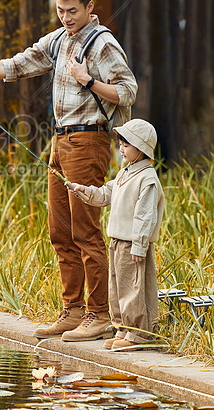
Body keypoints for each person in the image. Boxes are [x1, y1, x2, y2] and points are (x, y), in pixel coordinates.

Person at [0, 0, 137, 342]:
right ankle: (73, 311)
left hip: (88, 142)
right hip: (59, 143)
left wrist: (88, 80)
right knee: (60, 232)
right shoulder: (58, 40)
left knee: (86, 231)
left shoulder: (103, 44)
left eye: (73, 11)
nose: (66, 17)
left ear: (90, 7)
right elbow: (14, 67)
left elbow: (128, 92)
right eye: (61, 10)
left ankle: (98, 316)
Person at [68, 118, 165, 351]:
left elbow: (145, 216)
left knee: (133, 288)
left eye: (126, 144)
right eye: (120, 143)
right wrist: (84, 192)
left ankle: (138, 334)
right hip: (117, 241)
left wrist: (139, 246)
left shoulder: (147, 179)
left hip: (133, 244)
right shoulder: (124, 173)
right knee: (117, 288)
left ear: (141, 148)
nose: (121, 148)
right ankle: (122, 329)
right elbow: (106, 194)